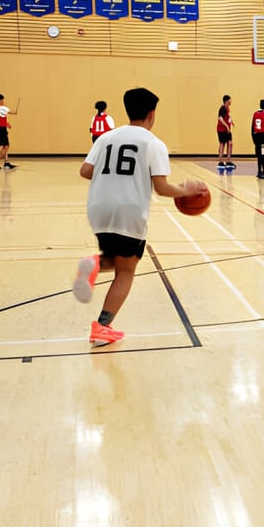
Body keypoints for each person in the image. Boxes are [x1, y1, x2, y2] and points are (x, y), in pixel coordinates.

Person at [71, 87, 208, 347]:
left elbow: (85, 171)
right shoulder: (153, 143)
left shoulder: (106, 137)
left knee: (118, 258)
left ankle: (96, 264)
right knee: (126, 270)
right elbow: (162, 187)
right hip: (129, 208)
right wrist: (186, 189)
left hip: (98, 206)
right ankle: (102, 326)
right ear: (152, 113)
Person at [0, 94, 17, 170]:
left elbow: (0, 118)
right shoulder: (1, 108)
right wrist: (15, 111)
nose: (4, 101)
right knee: (6, 146)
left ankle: (6, 162)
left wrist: (6, 124)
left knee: (5, 145)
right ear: (0, 101)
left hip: (0, 128)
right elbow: (13, 112)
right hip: (0, 129)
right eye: (2, 100)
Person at [216, 95, 235, 170]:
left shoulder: (227, 109)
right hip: (221, 130)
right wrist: (227, 126)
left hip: (227, 130)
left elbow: (228, 116)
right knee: (222, 144)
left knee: (230, 144)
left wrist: (231, 121)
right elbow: (220, 118)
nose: (231, 101)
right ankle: (220, 161)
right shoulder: (222, 109)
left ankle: (228, 161)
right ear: (226, 101)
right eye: (230, 100)